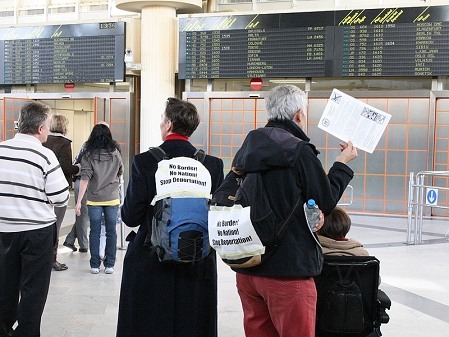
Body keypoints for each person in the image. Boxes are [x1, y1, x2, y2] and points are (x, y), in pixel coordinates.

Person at [231, 85, 358, 337]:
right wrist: (342, 164)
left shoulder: (249, 146)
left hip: (248, 267)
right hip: (287, 269)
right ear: (299, 114)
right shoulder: (299, 150)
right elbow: (326, 199)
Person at [116, 97, 224, 337]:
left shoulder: (144, 162)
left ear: (168, 124)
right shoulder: (213, 165)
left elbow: (131, 217)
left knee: (148, 322)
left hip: (151, 258)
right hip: (196, 258)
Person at [0, 101, 69, 337]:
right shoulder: (45, 155)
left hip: (3, 230)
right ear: (40, 128)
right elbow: (60, 197)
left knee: (4, 286)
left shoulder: (1, 149)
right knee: (33, 290)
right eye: (48, 126)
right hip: (37, 232)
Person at [74, 123, 123, 274]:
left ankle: (95, 264)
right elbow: (121, 170)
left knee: (94, 232)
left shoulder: (88, 155)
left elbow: (85, 178)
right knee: (111, 232)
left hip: (94, 198)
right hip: (112, 198)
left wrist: (78, 202)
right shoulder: (115, 153)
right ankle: (110, 265)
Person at [63, 121, 109, 254]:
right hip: (84, 182)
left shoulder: (91, 146)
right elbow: (75, 163)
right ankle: (84, 245)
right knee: (83, 214)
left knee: (84, 214)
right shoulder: (92, 146)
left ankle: (70, 239)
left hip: (91, 183)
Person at [43, 114, 81, 271]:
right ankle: (53, 260)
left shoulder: (44, 141)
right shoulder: (64, 143)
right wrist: (78, 168)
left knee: (43, 225)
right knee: (56, 226)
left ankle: (43, 259)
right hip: (58, 188)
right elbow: (65, 167)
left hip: (42, 187)